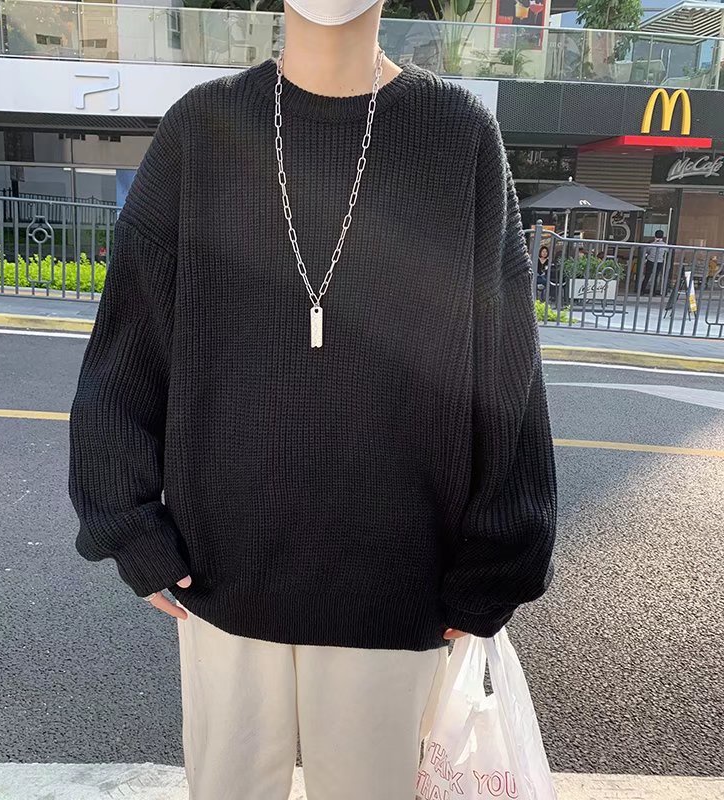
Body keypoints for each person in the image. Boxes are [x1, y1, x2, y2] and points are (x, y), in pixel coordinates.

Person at [67, 1, 558, 798]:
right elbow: (130, 341)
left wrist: (498, 561)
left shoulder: (456, 134)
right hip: (220, 570)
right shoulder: (202, 129)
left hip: (397, 577)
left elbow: (506, 369)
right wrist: (125, 521)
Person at [641, 228, 668, 296]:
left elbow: (647, 251)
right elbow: (667, 251)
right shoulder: (665, 245)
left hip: (650, 261)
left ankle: (642, 291)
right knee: (656, 276)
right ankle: (653, 292)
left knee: (647, 276)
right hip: (659, 262)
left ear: (655, 236)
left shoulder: (652, 244)